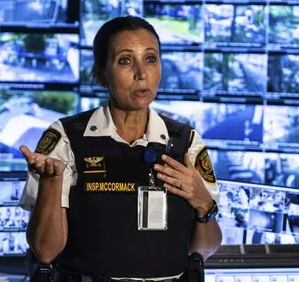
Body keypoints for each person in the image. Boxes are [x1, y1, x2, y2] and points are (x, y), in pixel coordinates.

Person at [19, 16, 222, 280]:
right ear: (102, 74)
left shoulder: (185, 142)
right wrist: (51, 183)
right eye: (125, 60)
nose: (141, 73)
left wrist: (203, 204)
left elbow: (205, 249)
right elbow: (45, 252)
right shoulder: (68, 137)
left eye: (151, 59)